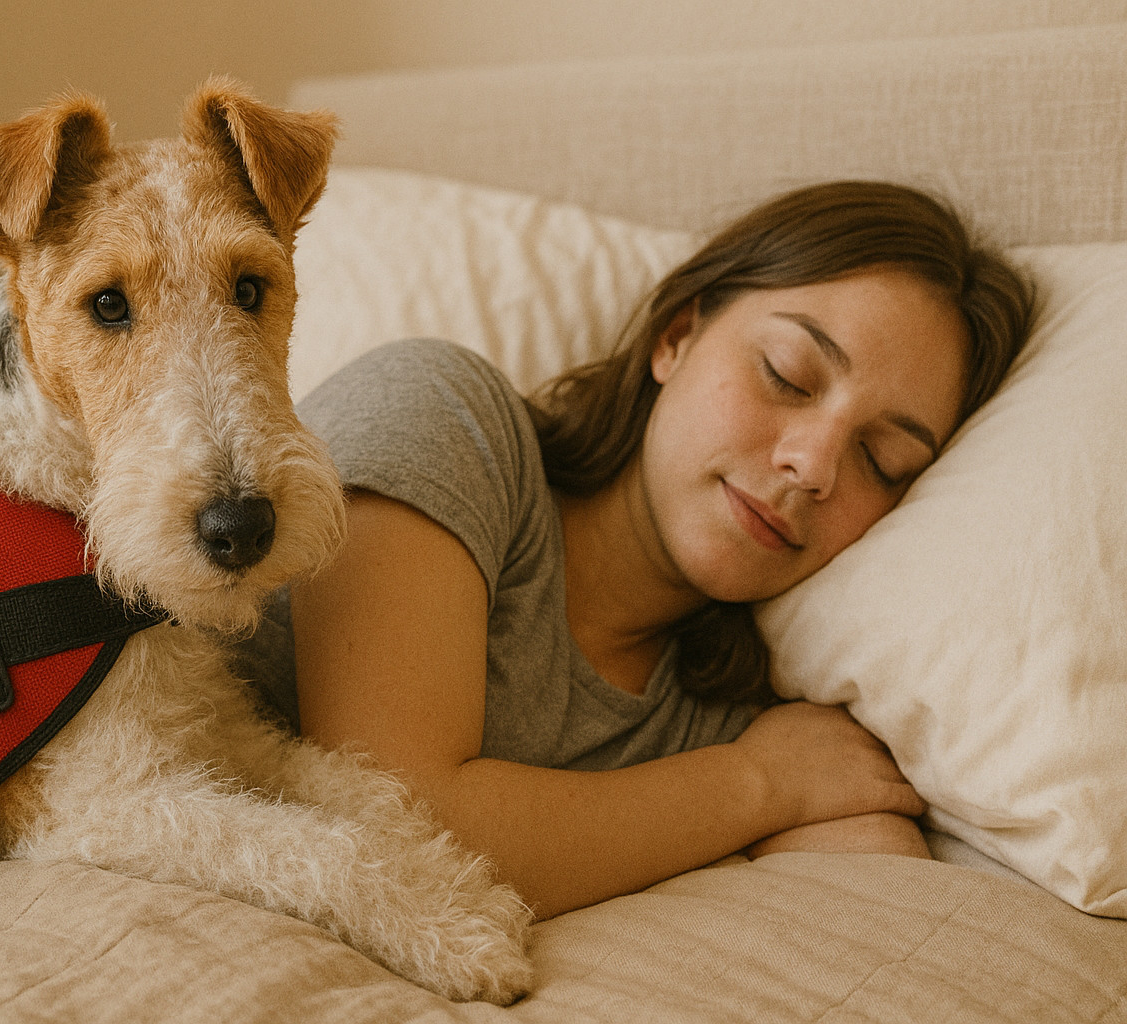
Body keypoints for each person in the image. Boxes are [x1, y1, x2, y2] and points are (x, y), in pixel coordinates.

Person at [239, 180, 1034, 919]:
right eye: (788, 375)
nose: (814, 466)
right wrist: (757, 786)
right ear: (676, 336)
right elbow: (394, 820)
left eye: (882, 460)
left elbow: (893, 935)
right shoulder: (447, 418)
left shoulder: (736, 719)